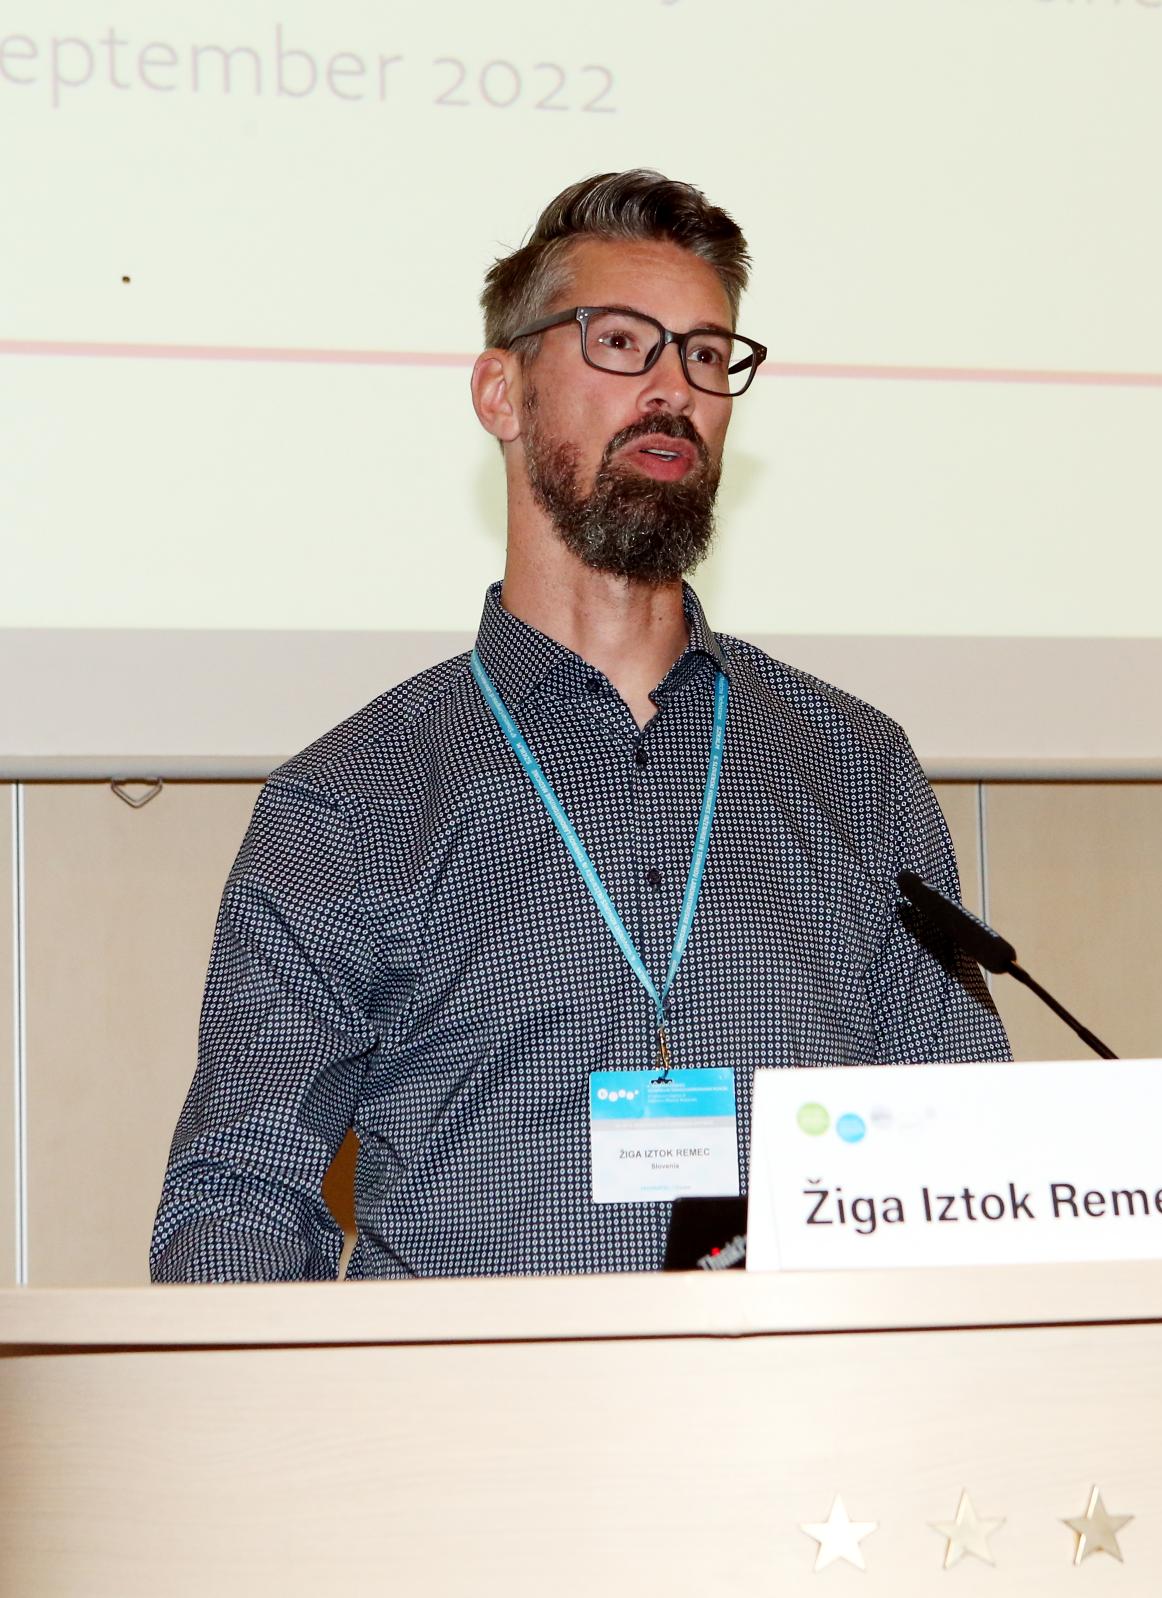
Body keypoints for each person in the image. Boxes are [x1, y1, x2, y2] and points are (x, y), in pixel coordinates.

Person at [149, 170, 1010, 1284]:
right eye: (620, 342)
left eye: (707, 354)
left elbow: (968, 1155)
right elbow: (237, 1200)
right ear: (500, 391)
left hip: (802, 1388)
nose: (673, 388)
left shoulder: (854, 765)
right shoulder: (351, 801)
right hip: (482, 1396)